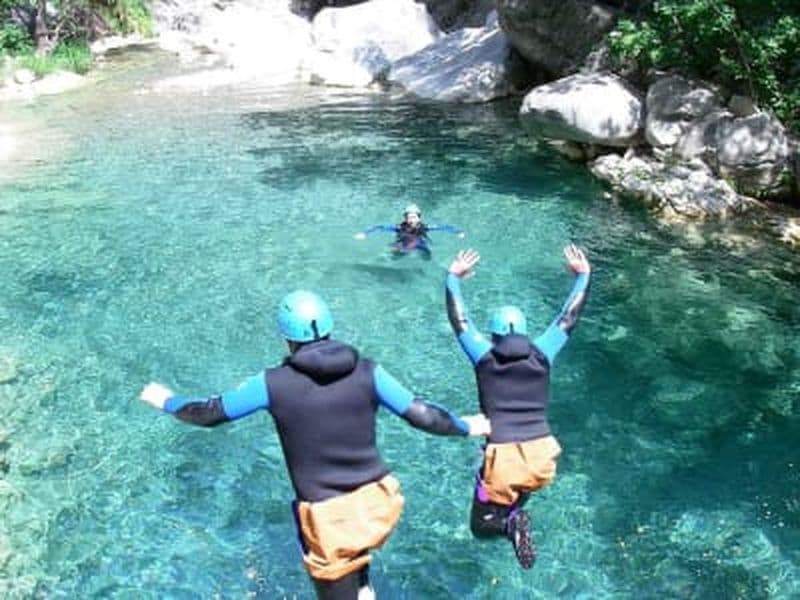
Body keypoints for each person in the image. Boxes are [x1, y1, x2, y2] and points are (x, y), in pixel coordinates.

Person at [139, 290, 490, 600]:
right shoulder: (369, 371)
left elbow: (208, 414)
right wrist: (465, 425)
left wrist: (165, 400)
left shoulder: (271, 384)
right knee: (357, 553)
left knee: (334, 570)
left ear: (286, 338)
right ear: (329, 327)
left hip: (330, 519)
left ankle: (358, 588)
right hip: (380, 504)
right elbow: (423, 415)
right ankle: (364, 587)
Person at [443, 244, 591, 569]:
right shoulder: (542, 354)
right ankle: (514, 516)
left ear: (494, 336)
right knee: (518, 493)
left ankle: (510, 525)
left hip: (503, 458)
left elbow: (460, 320)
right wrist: (583, 277)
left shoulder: (484, 356)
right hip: (542, 456)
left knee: (481, 526)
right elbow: (569, 317)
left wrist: (451, 278)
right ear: (523, 332)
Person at [354, 203, 465, 259]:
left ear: (419, 218)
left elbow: (444, 227)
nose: (411, 220)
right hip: (403, 243)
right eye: (409, 217)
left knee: (427, 255)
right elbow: (379, 227)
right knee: (395, 255)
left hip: (420, 244)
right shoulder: (399, 227)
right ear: (405, 218)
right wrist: (364, 233)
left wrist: (458, 232)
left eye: (414, 217)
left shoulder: (425, 227)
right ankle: (380, 260)